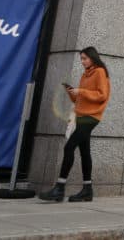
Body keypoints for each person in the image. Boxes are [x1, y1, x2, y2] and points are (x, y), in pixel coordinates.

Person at [39, 47, 111, 202]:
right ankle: (87, 190)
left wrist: (81, 92)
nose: (83, 61)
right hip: (81, 115)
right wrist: (72, 92)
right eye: (81, 59)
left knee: (69, 147)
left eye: (85, 58)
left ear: (92, 58)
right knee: (85, 152)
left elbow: (102, 95)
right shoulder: (85, 75)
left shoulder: (99, 72)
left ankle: (59, 188)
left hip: (91, 117)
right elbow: (80, 100)